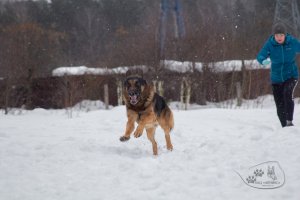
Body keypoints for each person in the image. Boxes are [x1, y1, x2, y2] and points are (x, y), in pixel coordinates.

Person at [257, 23, 299, 127]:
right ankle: (284, 126)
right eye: (277, 35)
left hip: (291, 75)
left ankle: (289, 121)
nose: (279, 38)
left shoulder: (292, 42)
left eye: (281, 35)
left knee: (287, 94)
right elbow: (260, 55)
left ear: (285, 35)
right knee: (279, 103)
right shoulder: (270, 44)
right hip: (276, 78)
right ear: (274, 36)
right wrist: (263, 61)